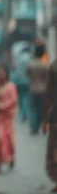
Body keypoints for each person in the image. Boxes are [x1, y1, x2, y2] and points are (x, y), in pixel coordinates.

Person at [26, 44, 48, 135]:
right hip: (43, 89)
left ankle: (33, 127)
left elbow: (27, 74)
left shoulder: (31, 64)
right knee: (41, 109)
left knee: (33, 109)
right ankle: (39, 125)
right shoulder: (44, 65)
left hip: (33, 88)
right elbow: (46, 77)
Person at [44, 60, 57, 192]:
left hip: (55, 117)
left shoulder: (54, 66)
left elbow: (48, 95)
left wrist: (44, 120)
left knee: (54, 149)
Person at [11, 42, 32, 123]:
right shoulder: (30, 58)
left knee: (20, 97)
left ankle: (22, 113)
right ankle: (24, 113)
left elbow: (14, 68)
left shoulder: (18, 58)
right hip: (26, 81)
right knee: (25, 97)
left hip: (18, 80)